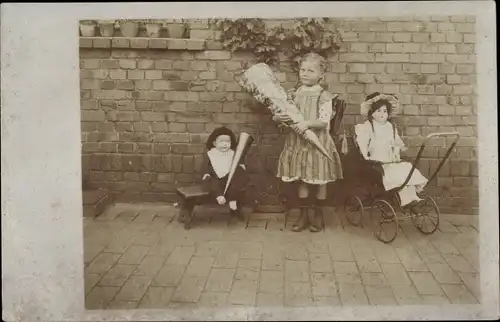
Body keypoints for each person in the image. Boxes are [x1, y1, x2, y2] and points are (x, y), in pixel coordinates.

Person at [273, 52, 343, 232]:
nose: (304, 73)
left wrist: (305, 124)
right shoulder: (293, 94)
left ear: (321, 74)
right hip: (298, 142)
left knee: (320, 180)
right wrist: (278, 117)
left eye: (310, 70)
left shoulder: (324, 96)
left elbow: (323, 121)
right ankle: (303, 215)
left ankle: (318, 215)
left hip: (317, 142)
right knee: (303, 180)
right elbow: (286, 117)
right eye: (302, 70)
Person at [354, 92, 428, 209]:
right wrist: (366, 156)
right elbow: (362, 142)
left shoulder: (390, 126)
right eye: (378, 111)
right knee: (395, 174)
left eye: (384, 111)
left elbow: (396, 141)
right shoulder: (367, 126)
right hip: (378, 162)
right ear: (372, 113)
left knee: (406, 169)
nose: (382, 114)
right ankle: (407, 200)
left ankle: (412, 199)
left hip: (391, 159)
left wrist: (401, 147)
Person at [201, 126, 249, 219]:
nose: (224, 144)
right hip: (216, 178)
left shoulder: (233, 153)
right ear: (214, 143)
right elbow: (205, 166)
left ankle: (232, 200)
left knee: (238, 177)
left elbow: (238, 163)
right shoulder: (211, 154)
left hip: (229, 179)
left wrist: (241, 165)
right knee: (211, 181)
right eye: (221, 142)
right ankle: (219, 196)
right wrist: (206, 173)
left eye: (227, 142)